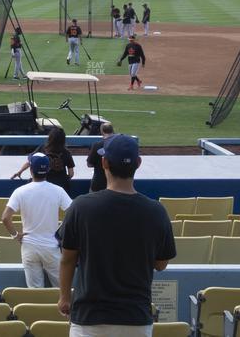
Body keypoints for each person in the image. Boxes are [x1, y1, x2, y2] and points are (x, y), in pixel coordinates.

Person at [58, 135, 176, 336]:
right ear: (138, 163)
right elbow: (161, 264)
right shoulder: (156, 211)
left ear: (104, 162)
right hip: (136, 319)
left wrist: (64, 298)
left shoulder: (80, 207)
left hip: (89, 319)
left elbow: (68, 259)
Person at [4, 153, 72, 288]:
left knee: (35, 293)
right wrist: (62, 232)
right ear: (48, 169)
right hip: (52, 247)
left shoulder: (19, 191)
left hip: (29, 247)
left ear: (31, 170)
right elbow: (73, 213)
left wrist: (15, 235)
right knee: (62, 291)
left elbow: (5, 218)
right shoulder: (58, 191)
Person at [86, 123, 115, 193]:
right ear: (113, 131)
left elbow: (89, 164)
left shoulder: (97, 145)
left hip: (98, 184)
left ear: (102, 131)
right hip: (115, 185)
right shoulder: (119, 145)